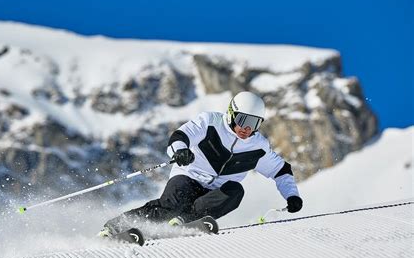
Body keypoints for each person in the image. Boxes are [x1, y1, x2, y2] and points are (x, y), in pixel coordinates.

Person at [99, 91, 303, 236]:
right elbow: (181, 135)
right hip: (189, 176)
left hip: (214, 192)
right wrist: (180, 151)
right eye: (243, 120)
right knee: (171, 206)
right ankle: (114, 228)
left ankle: (185, 222)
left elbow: (281, 170)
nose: (246, 128)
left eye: (254, 123)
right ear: (232, 113)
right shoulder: (210, 122)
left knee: (235, 191)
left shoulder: (258, 146)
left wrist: (292, 195)